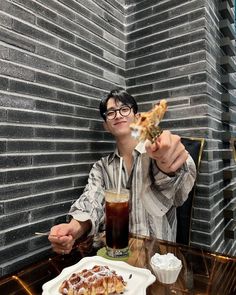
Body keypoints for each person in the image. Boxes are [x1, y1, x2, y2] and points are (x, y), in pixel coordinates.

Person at [49, 88, 196, 254]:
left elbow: (179, 184)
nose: (118, 115)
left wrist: (168, 163)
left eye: (124, 109)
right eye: (111, 112)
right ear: (106, 125)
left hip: (159, 259)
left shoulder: (155, 154)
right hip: (117, 259)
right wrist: (73, 228)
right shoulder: (101, 167)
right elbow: (92, 202)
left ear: (137, 117)